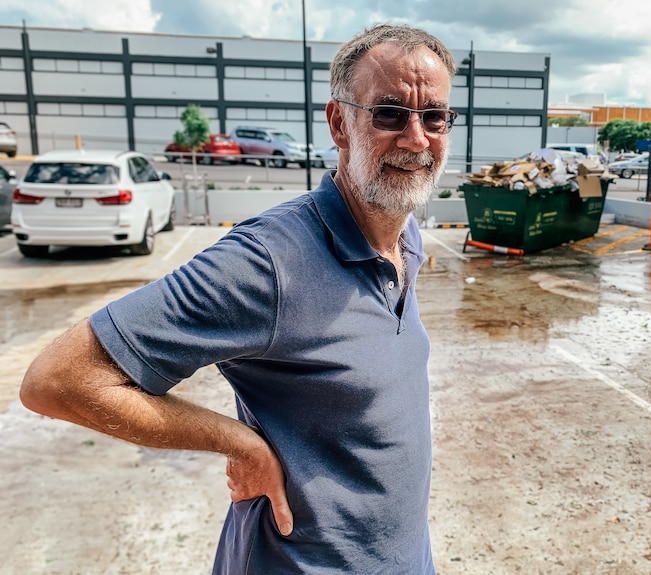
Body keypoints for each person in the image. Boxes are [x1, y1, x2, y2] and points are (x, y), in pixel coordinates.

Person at [19, 23, 457, 574]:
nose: (417, 139)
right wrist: (238, 442)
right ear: (339, 123)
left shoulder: (405, 239)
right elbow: (57, 381)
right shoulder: (268, 261)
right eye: (389, 113)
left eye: (434, 116)